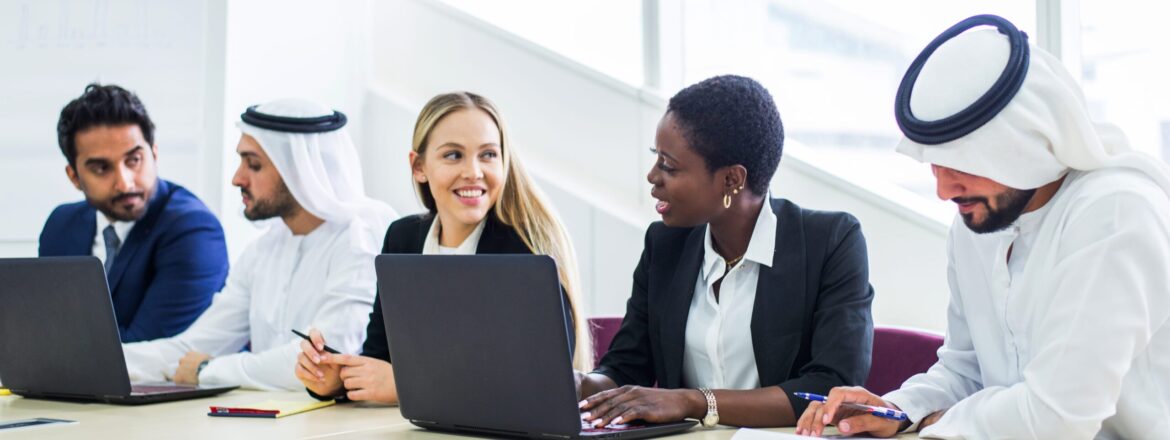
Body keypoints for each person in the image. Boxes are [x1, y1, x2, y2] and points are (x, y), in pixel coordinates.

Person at [796, 15, 1170, 439]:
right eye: (934, 164)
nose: (942, 189)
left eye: (960, 164)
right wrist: (900, 410)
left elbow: (1058, 417)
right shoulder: (979, 220)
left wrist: (944, 424)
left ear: (1023, 143)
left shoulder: (1115, 214)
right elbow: (967, 367)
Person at [577, 75, 875, 429]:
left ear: (732, 179)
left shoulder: (831, 241)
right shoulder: (664, 245)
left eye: (669, 166)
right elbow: (626, 367)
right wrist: (577, 383)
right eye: (656, 159)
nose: (652, 176)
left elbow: (827, 386)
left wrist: (696, 401)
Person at [296, 92, 591, 404]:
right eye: (453, 155)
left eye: (488, 154)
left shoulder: (524, 249)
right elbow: (381, 358)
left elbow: (533, 381)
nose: (473, 171)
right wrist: (334, 380)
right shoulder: (402, 238)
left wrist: (408, 388)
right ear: (419, 166)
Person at [121, 99, 395, 390]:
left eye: (254, 165)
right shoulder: (263, 250)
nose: (237, 178)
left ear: (299, 170)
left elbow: (326, 362)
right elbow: (194, 345)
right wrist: (98, 359)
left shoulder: (361, 235)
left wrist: (207, 369)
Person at [40, 83, 229, 342]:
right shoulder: (61, 226)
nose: (125, 182)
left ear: (154, 153)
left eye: (134, 160)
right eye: (101, 168)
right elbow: (44, 330)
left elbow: (147, 348)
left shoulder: (194, 230)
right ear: (74, 176)